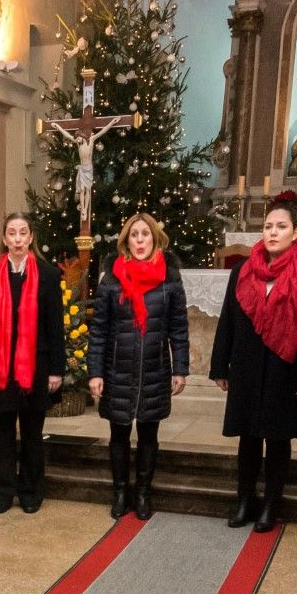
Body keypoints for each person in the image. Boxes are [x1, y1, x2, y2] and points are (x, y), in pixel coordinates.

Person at [210, 196, 297, 532]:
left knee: (277, 440)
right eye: (268, 226)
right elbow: (228, 320)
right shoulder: (243, 269)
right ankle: (244, 499)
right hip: (248, 365)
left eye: (281, 227)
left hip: (286, 368)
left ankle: (271, 504)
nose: (273, 232)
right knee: (248, 437)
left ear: (295, 233)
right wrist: (220, 365)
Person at [88, 212, 189, 519]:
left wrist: (180, 368)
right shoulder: (111, 279)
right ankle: (120, 492)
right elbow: (99, 330)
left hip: (154, 368)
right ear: (125, 241)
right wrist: (95, 372)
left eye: (146, 234)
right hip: (117, 367)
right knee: (118, 434)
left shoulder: (169, 281)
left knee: (148, 434)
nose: (140, 240)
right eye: (134, 235)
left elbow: (178, 329)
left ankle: (143, 493)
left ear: (155, 238)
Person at [0, 213, 68, 514]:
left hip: (35, 368)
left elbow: (55, 327)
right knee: (2, 436)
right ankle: (3, 492)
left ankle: (31, 491)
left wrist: (56, 369)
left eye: (22, 233)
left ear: (31, 238)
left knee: (32, 435)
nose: (17, 239)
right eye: (11, 233)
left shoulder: (48, 276)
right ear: (4, 239)